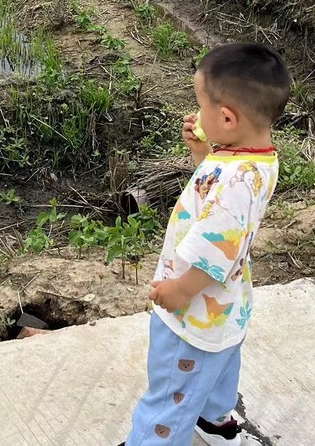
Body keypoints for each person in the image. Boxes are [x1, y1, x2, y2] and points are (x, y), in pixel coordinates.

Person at [122, 43, 291, 446]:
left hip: (194, 310)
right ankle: (214, 417)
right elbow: (223, 204)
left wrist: (179, 291)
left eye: (201, 106)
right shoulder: (253, 159)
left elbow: (216, 247)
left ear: (228, 118)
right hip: (227, 306)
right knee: (219, 364)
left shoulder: (235, 178)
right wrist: (203, 153)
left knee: (171, 393)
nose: (196, 116)